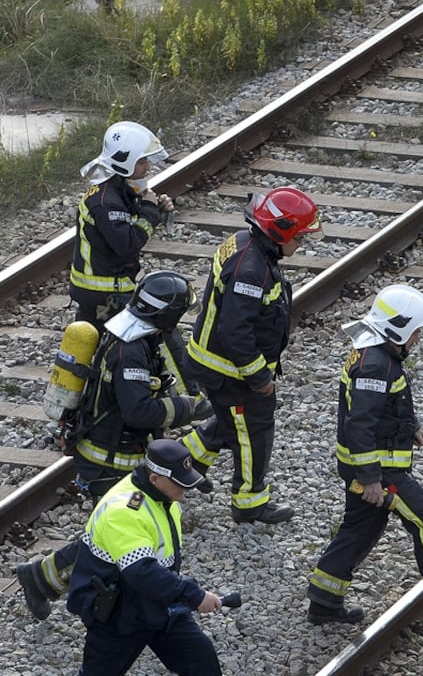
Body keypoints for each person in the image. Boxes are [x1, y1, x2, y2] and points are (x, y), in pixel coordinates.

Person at [15, 270, 200, 621]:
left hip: (117, 453)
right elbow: (138, 410)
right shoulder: (131, 351)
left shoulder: (135, 335)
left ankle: (41, 578)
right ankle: (44, 579)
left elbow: (146, 390)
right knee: (115, 538)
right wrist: (186, 408)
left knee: (110, 535)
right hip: (109, 460)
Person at [306, 285, 423, 623]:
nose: (418, 337)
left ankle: (324, 600)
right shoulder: (376, 366)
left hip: (367, 465)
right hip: (379, 470)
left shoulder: (377, 354)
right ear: (397, 328)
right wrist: (371, 478)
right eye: (416, 330)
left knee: (360, 529)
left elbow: (385, 406)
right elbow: (361, 424)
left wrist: (410, 425)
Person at [180, 187, 321, 524]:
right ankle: (249, 503)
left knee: (232, 421)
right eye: (299, 238)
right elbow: (235, 331)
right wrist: (260, 378)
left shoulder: (245, 243)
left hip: (216, 361)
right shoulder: (251, 269)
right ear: (279, 231)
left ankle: (182, 461)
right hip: (229, 370)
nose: (301, 245)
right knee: (254, 428)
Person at [70, 121, 208, 415]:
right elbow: (129, 244)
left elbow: (127, 228)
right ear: (125, 162)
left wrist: (152, 207)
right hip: (106, 293)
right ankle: (192, 400)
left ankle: (79, 411)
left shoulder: (116, 190)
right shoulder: (106, 202)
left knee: (95, 354)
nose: (147, 166)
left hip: (104, 290)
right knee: (162, 331)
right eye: (142, 161)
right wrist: (148, 211)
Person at [65, 438, 223, 675]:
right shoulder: (124, 512)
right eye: (180, 485)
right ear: (154, 479)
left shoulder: (162, 496)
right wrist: (194, 595)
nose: (185, 492)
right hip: (119, 614)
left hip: (158, 601)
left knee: (201, 660)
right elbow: (141, 571)